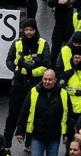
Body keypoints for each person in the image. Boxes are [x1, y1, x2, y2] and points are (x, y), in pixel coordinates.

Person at [17, 69, 71, 156]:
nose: (47, 82)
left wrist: (67, 134)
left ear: (55, 80)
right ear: (42, 79)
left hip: (54, 137)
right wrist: (20, 131)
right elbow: (24, 111)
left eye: (50, 79)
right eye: (45, 79)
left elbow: (68, 115)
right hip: (37, 136)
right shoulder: (34, 92)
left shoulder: (63, 94)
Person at [4, 20, 51, 148]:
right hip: (18, 83)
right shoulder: (17, 43)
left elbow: (47, 65)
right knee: (12, 115)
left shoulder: (43, 44)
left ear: (35, 30)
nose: (29, 32)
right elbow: (9, 60)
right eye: (26, 30)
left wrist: (32, 71)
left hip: (35, 84)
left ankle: (29, 143)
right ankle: (6, 143)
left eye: (31, 30)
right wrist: (17, 69)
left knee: (33, 115)